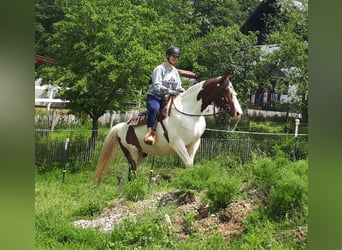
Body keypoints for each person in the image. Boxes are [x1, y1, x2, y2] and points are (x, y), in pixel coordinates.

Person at [144, 46, 185, 145]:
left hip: (169, 98)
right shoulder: (159, 69)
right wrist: (170, 91)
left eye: (177, 57)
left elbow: (179, 86)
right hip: (155, 97)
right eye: (173, 56)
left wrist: (185, 91)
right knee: (154, 108)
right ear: (168, 56)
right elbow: (157, 86)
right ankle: (150, 131)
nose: (175, 58)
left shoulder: (175, 72)